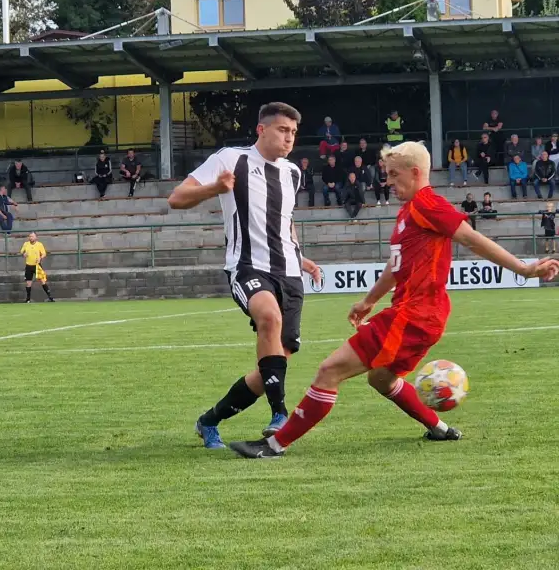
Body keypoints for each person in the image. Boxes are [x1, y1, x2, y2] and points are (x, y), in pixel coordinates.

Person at [229, 141, 559, 459]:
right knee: (381, 378)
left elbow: (470, 238)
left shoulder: (429, 204)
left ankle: (274, 446)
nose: (387, 182)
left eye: (393, 176)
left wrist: (524, 268)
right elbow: (395, 265)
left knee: (329, 370)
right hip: (416, 315)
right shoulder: (410, 212)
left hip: (415, 315)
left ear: (415, 173)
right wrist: (369, 300)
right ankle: (439, 427)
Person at [168, 102, 321, 448]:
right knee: (268, 316)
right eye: (283, 130)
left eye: (294, 133)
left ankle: (209, 421)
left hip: (291, 273)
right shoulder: (230, 160)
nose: (289, 138)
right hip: (248, 266)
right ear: (261, 129)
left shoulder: (293, 173)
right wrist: (214, 189)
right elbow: (176, 198)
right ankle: (279, 412)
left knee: (271, 367)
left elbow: (284, 222)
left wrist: (303, 257)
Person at [20, 232, 55, 303]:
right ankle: (28, 299)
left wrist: (40, 258)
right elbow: (21, 251)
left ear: (36, 237)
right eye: (30, 236)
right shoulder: (26, 244)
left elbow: (44, 253)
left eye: (32, 236)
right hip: (28, 266)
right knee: (28, 283)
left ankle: (50, 297)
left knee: (42, 281)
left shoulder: (39, 244)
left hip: (37, 265)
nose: (31, 238)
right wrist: (24, 254)